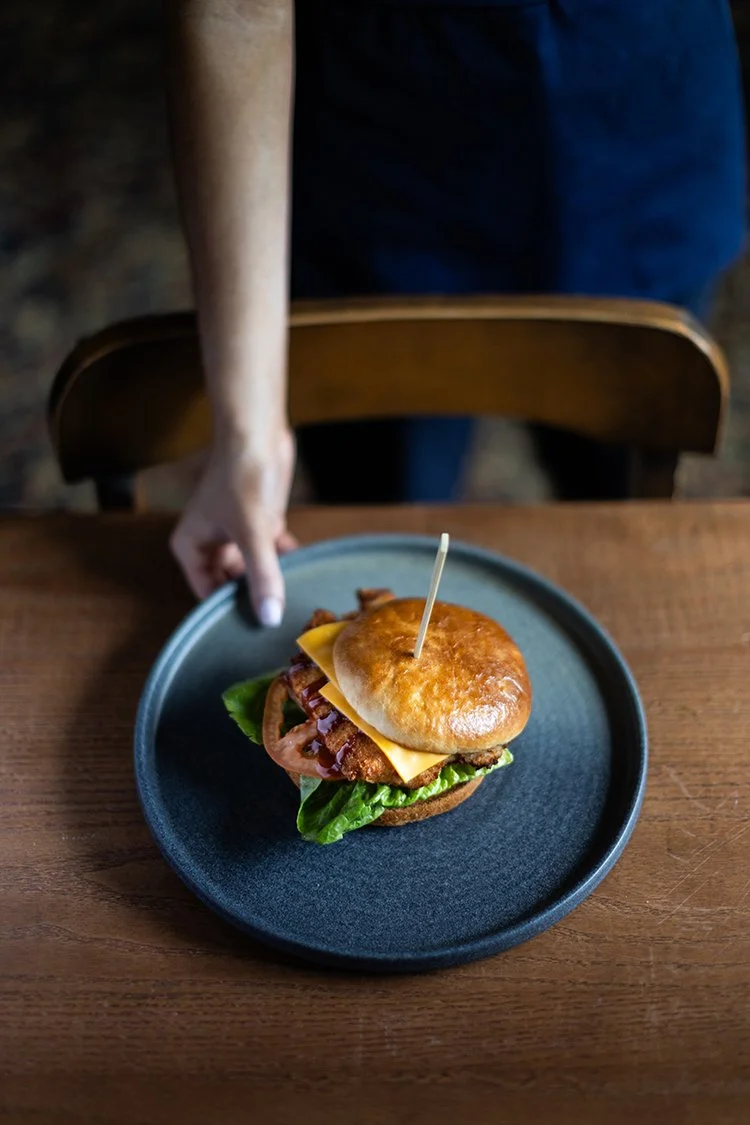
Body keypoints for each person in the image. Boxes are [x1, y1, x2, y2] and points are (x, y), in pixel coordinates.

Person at [166, 0, 746, 623]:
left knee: (622, 526)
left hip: (644, 128)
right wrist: (248, 432)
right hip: (376, 150)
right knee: (384, 513)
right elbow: (236, 12)